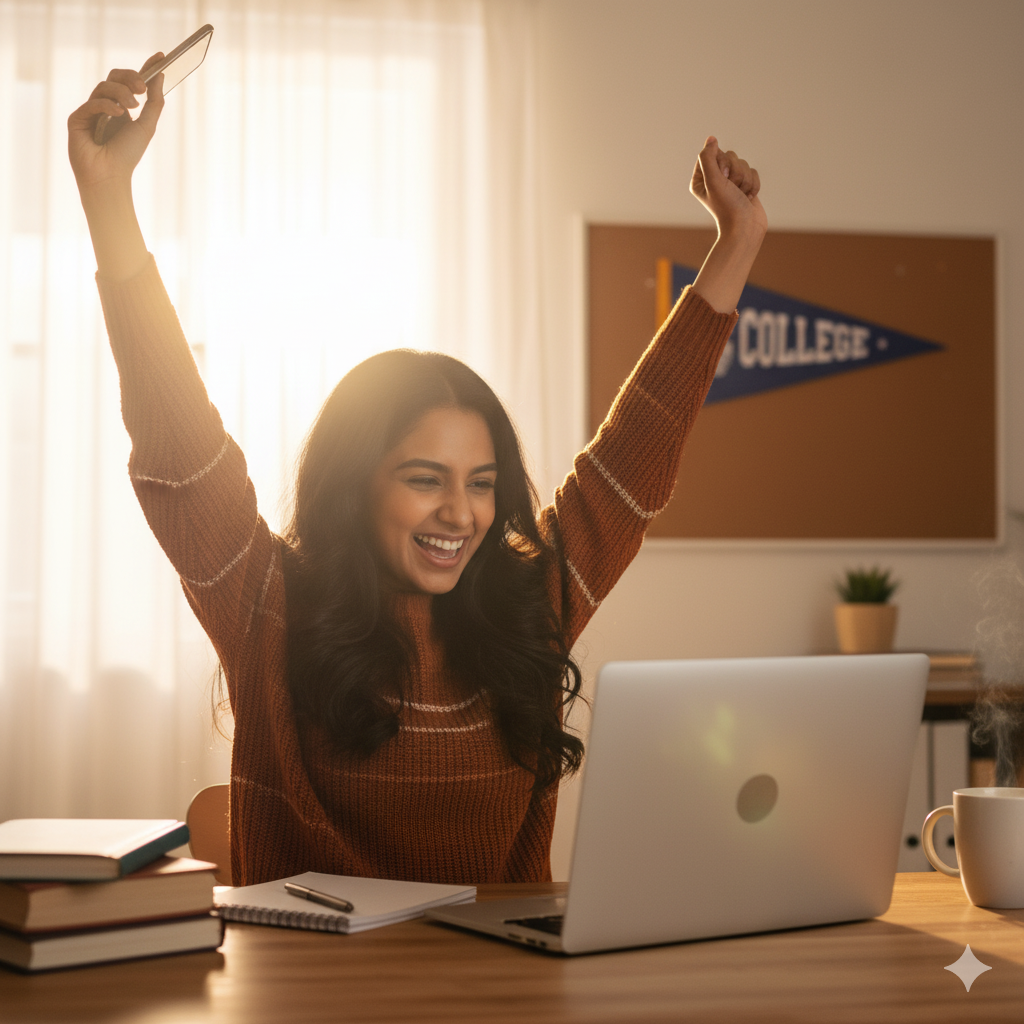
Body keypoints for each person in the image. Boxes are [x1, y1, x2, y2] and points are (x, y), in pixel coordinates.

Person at [67, 55, 766, 887]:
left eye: (480, 483)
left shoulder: (532, 601)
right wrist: (108, 199)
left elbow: (636, 453)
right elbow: (179, 448)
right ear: (355, 481)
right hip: (313, 1002)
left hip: (502, 1002)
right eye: (425, 479)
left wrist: (740, 243)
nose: (461, 514)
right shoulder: (267, 605)